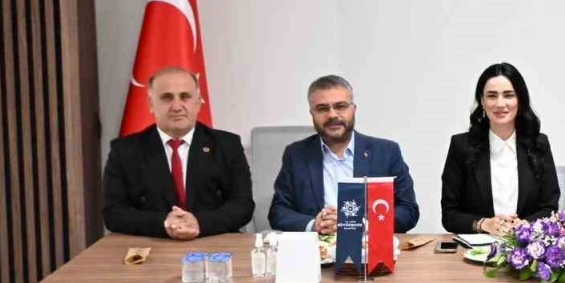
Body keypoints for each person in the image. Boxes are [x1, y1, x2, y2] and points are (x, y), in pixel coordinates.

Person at [102, 66, 254, 238]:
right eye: (167, 97)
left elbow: (243, 205)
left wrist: (199, 223)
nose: (176, 106)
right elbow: (113, 213)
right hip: (151, 242)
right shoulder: (125, 150)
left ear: (198, 102)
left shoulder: (227, 145)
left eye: (185, 96)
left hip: (212, 240)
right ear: (151, 104)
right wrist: (164, 223)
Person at [268, 75, 419, 233]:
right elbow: (278, 212)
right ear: (312, 113)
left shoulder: (386, 152)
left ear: (354, 109)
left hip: (369, 244)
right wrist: (314, 225)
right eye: (322, 109)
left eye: (340, 106)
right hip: (318, 245)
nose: (332, 115)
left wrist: (363, 225)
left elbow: (408, 210)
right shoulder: (296, 154)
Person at [441, 63, 560, 235]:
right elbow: (449, 214)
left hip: (525, 245)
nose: (500, 103)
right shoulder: (461, 146)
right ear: (482, 102)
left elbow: (550, 207)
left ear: (520, 100)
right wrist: (483, 224)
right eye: (492, 96)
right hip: (477, 246)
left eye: (508, 95)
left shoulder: (539, 144)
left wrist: (526, 225)